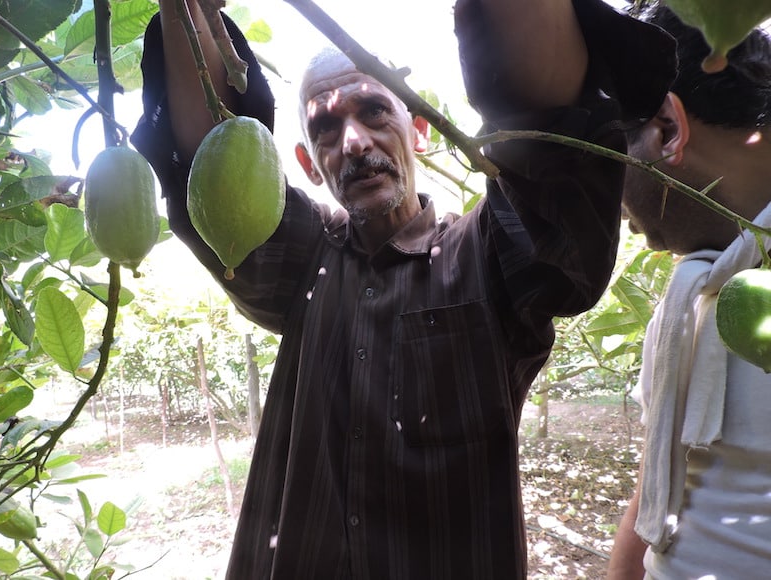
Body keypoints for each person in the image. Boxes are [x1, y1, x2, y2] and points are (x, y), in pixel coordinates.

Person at [131, 0, 674, 577]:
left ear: (419, 130)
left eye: (373, 111)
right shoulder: (304, 258)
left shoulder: (484, 254)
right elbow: (214, 159)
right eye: (325, 128)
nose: (355, 141)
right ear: (308, 164)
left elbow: (551, 143)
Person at [607, 4, 771, 580]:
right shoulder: (692, 293)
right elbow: (661, 486)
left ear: (668, 130)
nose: (608, 193)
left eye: (611, 150)